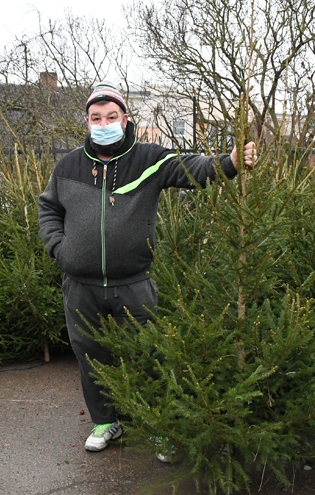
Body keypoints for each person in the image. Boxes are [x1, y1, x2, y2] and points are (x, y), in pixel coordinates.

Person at [38, 81, 255, 454]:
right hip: (80, 285)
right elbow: (49, 209)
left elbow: (192, 168)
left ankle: (159, 425)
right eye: (95, 118)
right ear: (87, 122)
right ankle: (106, 423)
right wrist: (60, 248)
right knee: (90, 354)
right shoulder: (69, 165)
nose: (103, 122)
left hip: (133, 282)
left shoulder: (149, 158)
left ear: (125, 118)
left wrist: (229, 163)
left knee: (149, 353)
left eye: (110, 116)